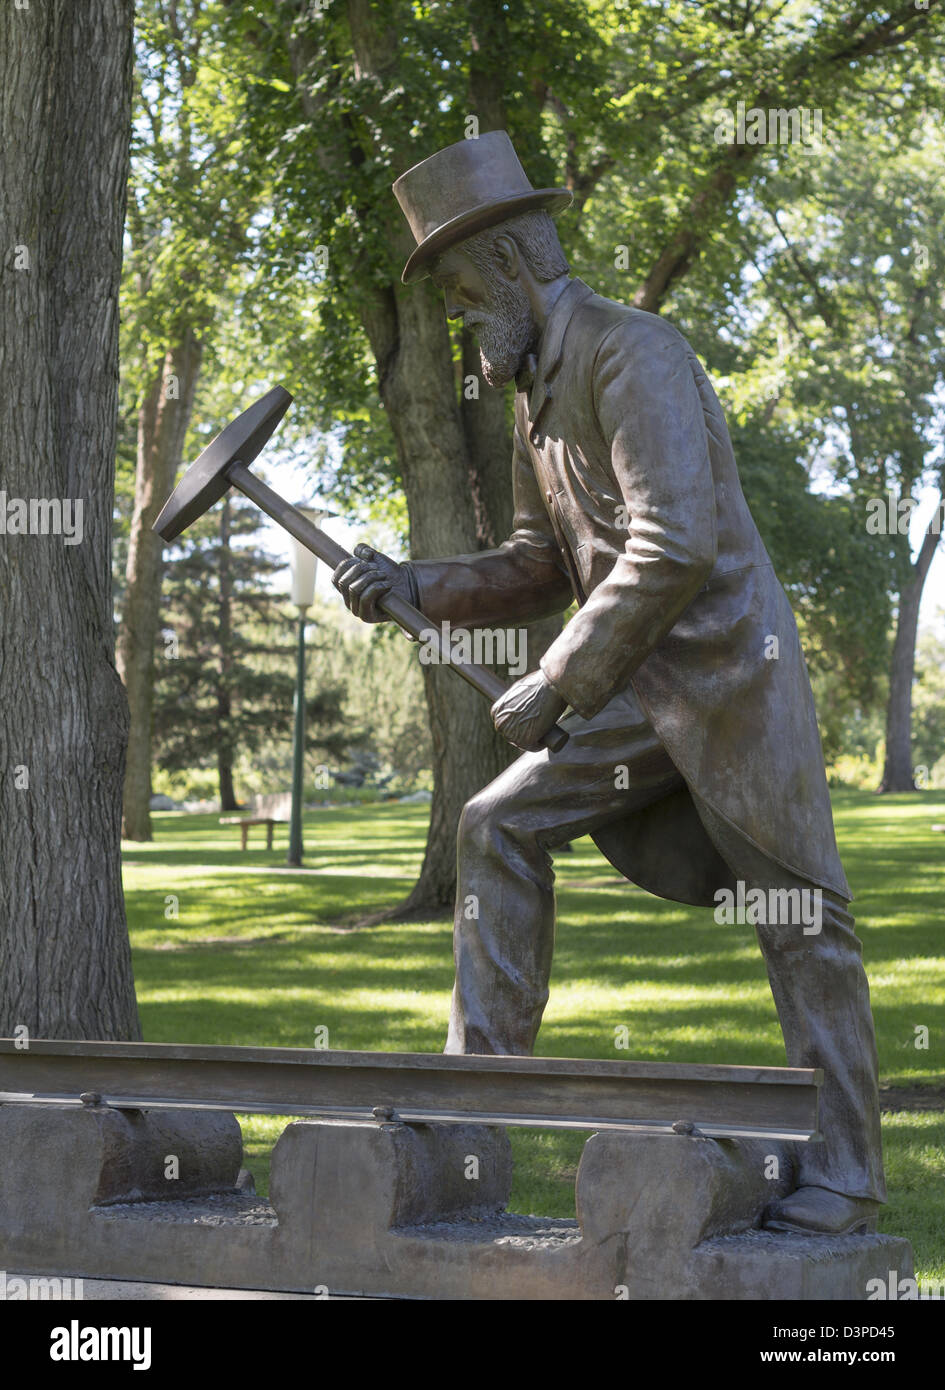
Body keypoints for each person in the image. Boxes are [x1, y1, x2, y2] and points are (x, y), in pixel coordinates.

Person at [333, 131, 885, 1235]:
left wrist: (556, 679)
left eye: (458, 294)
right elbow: (545, 563)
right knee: (495, 825)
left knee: (802, 917)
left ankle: (850, 1172)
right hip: (638, 694)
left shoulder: (636, 353)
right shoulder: (540, 397)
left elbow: (674, 542)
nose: (458, 321)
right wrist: (417, 583)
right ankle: (469, 1126)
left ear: (511, 268)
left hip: (728, 686)